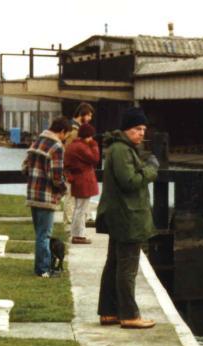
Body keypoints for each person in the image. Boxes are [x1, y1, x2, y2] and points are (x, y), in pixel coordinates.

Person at [96, 107, 160, 329]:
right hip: (127, 217)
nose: (142, 133)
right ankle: (130, 315)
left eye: (143, 129)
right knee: (127, 267)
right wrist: (151, 170)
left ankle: (109, 312)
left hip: (120, 215)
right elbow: (130, 182)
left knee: (114, 264)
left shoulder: (119, 148)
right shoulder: (123, 150)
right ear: (126, 129)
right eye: (137, 129)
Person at [22, 116, 70, 277]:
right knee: (45, 235)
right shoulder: (56, 147)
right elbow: (56, 177)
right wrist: (65, 189)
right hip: (46, 196)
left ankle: (40, 267)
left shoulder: (37, 141)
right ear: (62, 131)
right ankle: (43, 270)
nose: (65, 139)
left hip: (32, 193)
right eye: (66, 135)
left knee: (40, 234)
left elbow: (25, 167)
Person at [64, 122, 100, 244]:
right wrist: (94, 145)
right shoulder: (82, 147)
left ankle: (78, 233)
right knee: (81, 209)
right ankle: (78, 235)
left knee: (79, 208)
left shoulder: (72, 145)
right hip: (84, 180)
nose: (91, 139)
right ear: (87, 135)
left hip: (78, 180)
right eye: (91, 136)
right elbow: (95, 159)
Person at [62, 103, 95, 226]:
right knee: (70, 195)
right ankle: (69, 221)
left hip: (76, 168)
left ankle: (75, 219)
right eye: (89, 115)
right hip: (72, 168)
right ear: (82, 114)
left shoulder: (75, 127)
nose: (90, 119)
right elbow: (69, 150)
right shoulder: (74, 130)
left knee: (75, 194)